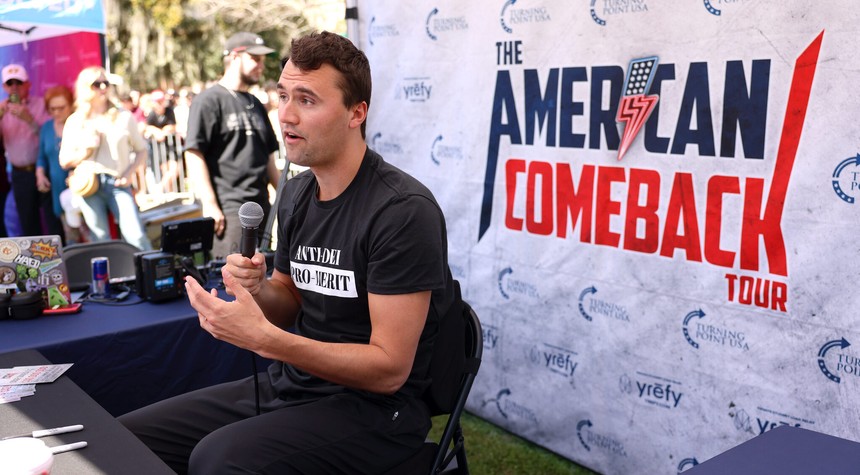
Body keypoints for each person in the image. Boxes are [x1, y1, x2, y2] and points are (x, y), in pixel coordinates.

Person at [120, 31, 457, 474]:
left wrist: (266, 339)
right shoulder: (296, 192)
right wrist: (258, 290)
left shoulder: (401, 211)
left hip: (375, 411)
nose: (286, 115)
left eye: (307, 100)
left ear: (357, 113)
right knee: (128, 440)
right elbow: (289, 297)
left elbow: (389, 369)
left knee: (217, 460)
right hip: (294, 386)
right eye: (282, 96)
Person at [183, 31, 280, 260]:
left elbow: (268, 157)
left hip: (261, 207)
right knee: (231, 281)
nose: (261, 66)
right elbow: (194, 153)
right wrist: (210, 204)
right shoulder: (208, 100)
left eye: (262, 61)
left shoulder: (255, 103)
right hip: (229, 209)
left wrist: (285, 199)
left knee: (260, 276)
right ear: (235, 57)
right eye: (255, 59)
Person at [59, 67, 152, 251]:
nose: (103, 87)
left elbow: (142, 150)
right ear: (86, 88)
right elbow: (64, 160)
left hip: (117, 183)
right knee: (100, 240)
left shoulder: (123, 116)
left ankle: (151, 277)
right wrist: (86, 150)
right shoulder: (75, 120)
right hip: (89, 184)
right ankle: (110, 280)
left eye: (106, 83)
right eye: (97, 84)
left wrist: (129, 173)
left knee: (136, 236)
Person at [0, 63, 53, 237]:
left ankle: (62, 262)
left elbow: (50, 136)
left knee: (53, 220)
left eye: (19, 82)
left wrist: (29, 119)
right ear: (4, 87)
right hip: (20, 174)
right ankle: (36, 264)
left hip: (45, 170)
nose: (14, 87)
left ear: (28, 84)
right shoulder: (1, 109)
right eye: (10, 83)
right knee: (28, 224)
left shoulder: (40, 104)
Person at [36, 85, 76, 243]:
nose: (56, 113)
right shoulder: (46, 128)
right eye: (52, 109)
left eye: (61, 108)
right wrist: (40, 175)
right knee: (68, 237)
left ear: (71, 105)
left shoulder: (78, 124)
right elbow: (41, 157)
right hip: (57, 189)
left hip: (81, 189)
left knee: (89, 236)